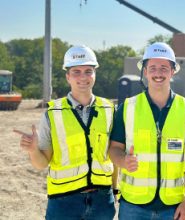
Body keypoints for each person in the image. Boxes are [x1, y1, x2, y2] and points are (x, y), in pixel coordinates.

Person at [14, 45, 118, 220]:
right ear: (67, 76)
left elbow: (112, 157)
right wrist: (33, 150)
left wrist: (114, 190)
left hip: (102, 201)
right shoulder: (52, 113)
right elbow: (42, 163)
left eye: (88, 71)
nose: (83, 77)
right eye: (76, 72)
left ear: (95, 74)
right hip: (63, 202)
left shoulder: (109, 109)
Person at [109, 42, 185, 220]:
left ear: (173, 71)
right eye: (152, 68)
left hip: (173, 206)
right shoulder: (127, 108)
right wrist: (123, 161)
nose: (158, 73)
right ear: (145, 71)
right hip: (133, 206)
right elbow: (113, 149)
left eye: (164, 68)